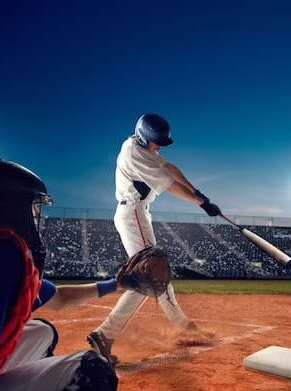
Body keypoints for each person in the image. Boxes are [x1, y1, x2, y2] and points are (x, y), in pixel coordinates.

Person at [87, 113, 221, 362]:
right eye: (155, 142)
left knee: (154, 276)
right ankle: (105, 333)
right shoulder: (134, 154)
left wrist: (197, 191)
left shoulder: (142, 147)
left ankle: (183, 326)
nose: (157, 146)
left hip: (138, 214)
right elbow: (169, 184)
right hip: (133, 213)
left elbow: (169, 168)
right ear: (142, 137)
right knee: (148, 276)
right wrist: (200, 202)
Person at [0, 159, 118, 390]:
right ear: (13, 208)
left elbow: (60, 298)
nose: (37, 216)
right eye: (33, 207)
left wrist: (117, 283)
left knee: (43, 332)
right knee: (94, 373)